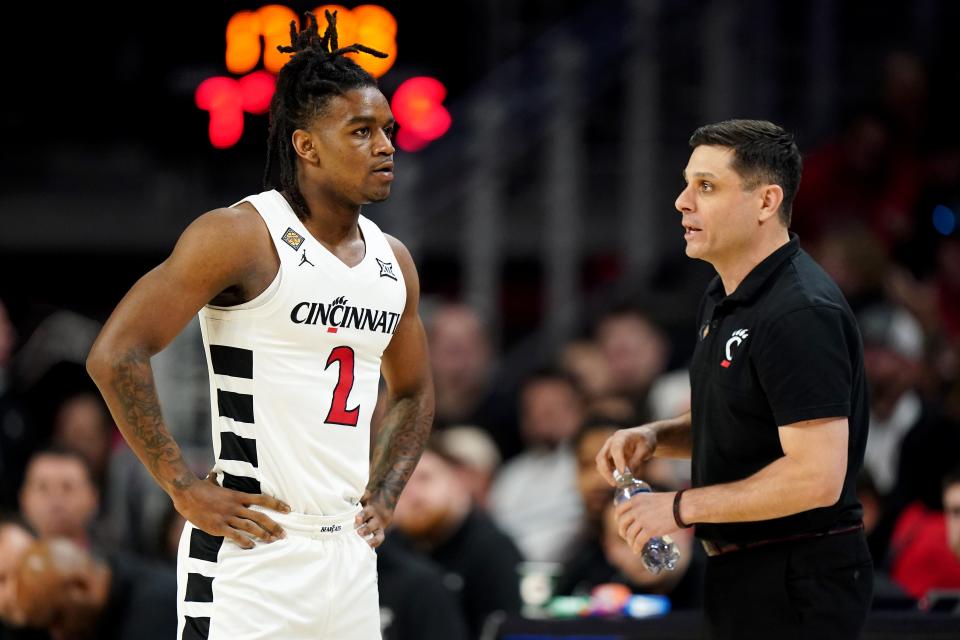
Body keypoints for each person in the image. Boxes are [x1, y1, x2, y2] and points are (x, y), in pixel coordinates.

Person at [85, 10, 433, 640]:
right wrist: (182, 486)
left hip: (350, 558)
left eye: (388, 130)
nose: (386, 146)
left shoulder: (394, 261)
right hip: (254, 557)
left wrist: (385, 491)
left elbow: (413, 391)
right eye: (361, 131)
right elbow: (116, 353)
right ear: (306, 145)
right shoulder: (241, 235)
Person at [597, 120, 873, 639]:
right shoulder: (728, 293)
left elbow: (816, 477)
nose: (682, 201)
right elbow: (747, 413)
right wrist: (657, 438)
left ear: (767, 201)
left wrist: (679, 507)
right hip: (744, 572)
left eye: (706, 186)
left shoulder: (799, 312)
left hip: (798, 579)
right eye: (687, 183)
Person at [392, 439, 522, 639]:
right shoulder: (387, 552)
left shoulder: (492, 551)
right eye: (400, 485)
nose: (413, 495)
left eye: (425, 478)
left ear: (459, 480)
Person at [14, 538, 176, 640]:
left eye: (58, 619)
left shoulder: (160, 610)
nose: (57, 636)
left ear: (79, 587)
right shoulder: (98, 621)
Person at [18, 448, 99, 547]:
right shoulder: (9, 557)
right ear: (24, 498)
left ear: (93, 497)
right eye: (43, 488)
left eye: (67, 487)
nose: (56, 499)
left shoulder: (114, 561)